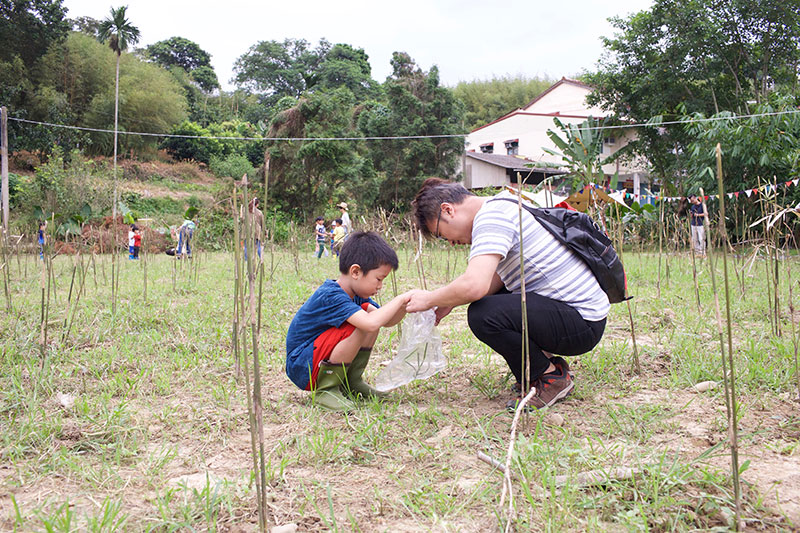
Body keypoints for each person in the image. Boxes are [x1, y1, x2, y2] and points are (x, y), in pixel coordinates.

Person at [406, 178, 609, 411]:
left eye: (442, 234)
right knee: (489, 302)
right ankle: (547, 365)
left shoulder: (492, 217)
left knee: (483, 314)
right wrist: (449, 303)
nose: (451, 243)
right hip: (580, 316)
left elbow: (475, 285)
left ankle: (549, 378)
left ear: (448, 210)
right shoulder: (502, 203)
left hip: (581, 322)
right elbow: (498, 278)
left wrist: (429, 299)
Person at [285, 231, 412, 410]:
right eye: (378, 279)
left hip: (315, 358)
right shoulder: (332, 295)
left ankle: (350, 383)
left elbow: (386, 320)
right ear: (356, 272)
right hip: (303, 366)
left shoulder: (358, 296)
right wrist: (399, 298)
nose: (380, 286)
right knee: (362, 323)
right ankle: (326, 389)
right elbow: (370, 323)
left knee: (368, 316)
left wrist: (405, 306)